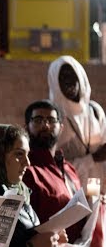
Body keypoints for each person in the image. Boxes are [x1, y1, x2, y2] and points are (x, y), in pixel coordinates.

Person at [22, 99, 85, 247]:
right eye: (38, 120)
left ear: (61, 127)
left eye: (51, 120)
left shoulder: (69, 169)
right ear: (27, 126)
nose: (45, 125)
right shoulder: (26, 171)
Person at [48, 55, 106, 192]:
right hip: (71, 194)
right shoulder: (54, 118)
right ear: (55, 83)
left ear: (80, 75)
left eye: (72, 74)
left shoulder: (95, 111)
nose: (69, 81)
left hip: (98, 191)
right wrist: (92, 159)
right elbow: (54, 168)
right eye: (62, 77)